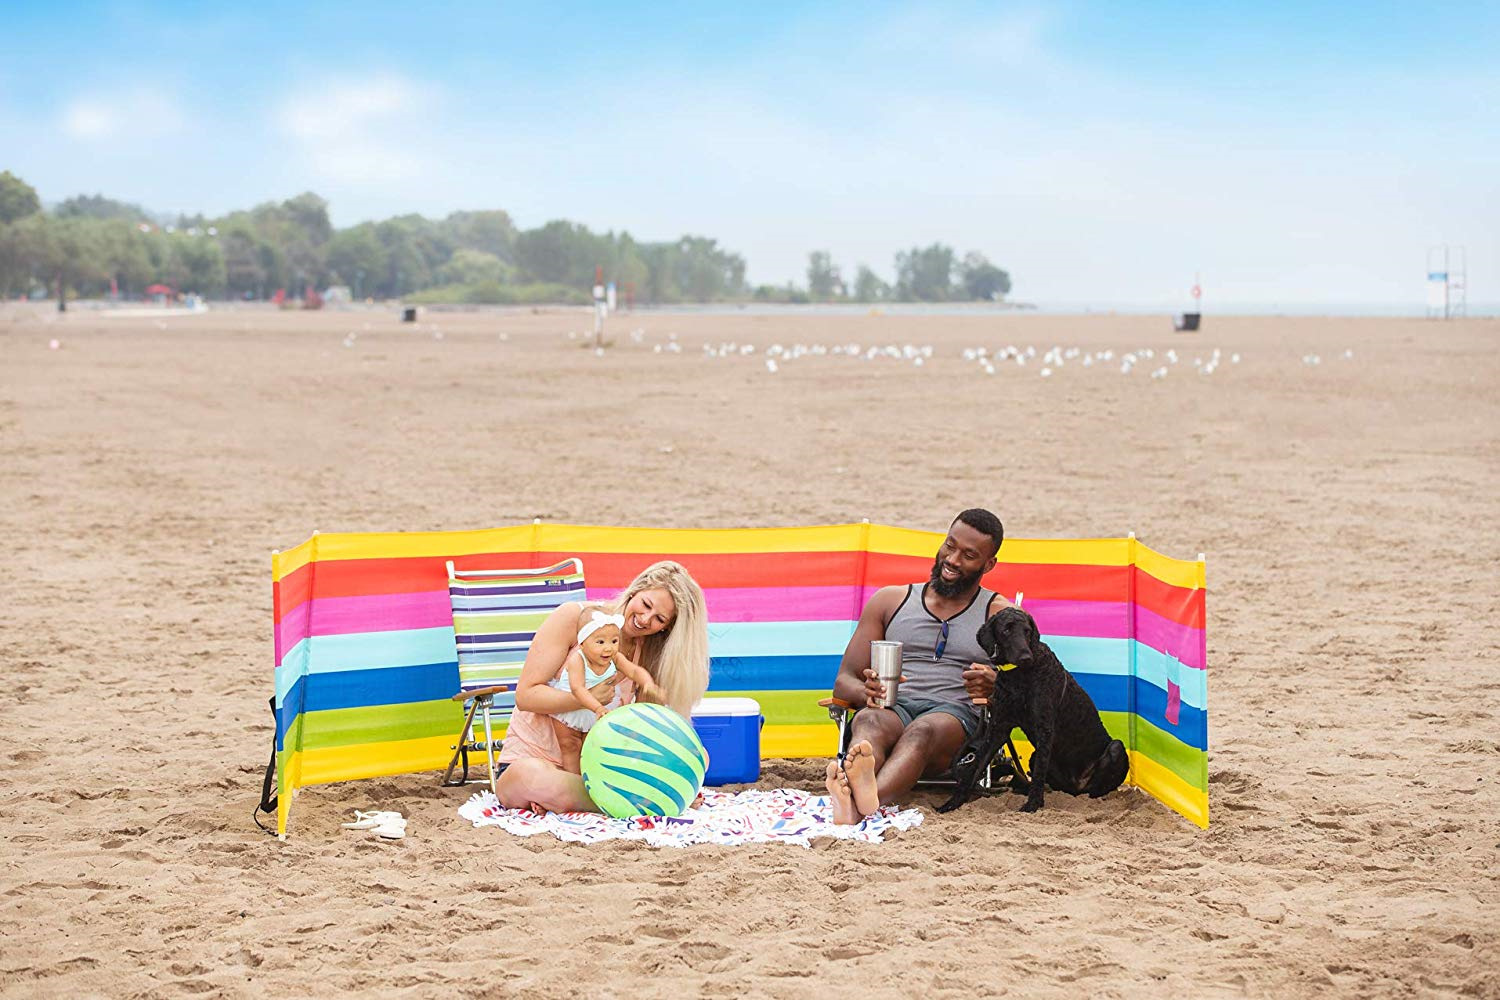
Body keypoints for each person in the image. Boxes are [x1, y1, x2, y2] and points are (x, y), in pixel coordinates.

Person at [824, 509, 1011, 825]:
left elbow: (1030, 687)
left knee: (922, 730)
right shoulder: (890, 601)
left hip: (954, 718)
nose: (952, 559)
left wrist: (997, 684)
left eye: (968, 555)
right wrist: (865, 690)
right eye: (949, 546)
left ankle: (855, 805)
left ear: (988, 564)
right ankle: (862, 789)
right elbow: (844, 681)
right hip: (894, 708)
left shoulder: (1000, 615)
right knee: (868, 721)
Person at [494, 560, 709, 813]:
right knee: (531, 777)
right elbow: (526, 696)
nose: (645, 619)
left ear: (666, 627)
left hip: (597, 773)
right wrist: (585, 698)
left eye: (659, 618)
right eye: (646, 604)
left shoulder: (647, 655)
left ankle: (587, 799)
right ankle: (631, 802)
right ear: (636, 590)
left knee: (700, 756)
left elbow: (643, 736)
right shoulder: (574, 617)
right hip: (535, 761)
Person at [547, 608, 664, 773]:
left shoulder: (615, 658)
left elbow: (634, 671)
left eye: (614, 641)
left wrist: (648, 683)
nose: (608, 648)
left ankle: (590, 779)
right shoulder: (577, 660)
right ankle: (573, 779)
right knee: (570, 745)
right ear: (583, 643)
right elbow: (578, 689)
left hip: (598, 708)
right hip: (572, 709)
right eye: (600, 642)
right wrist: (597, 707)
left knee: (592, 745)